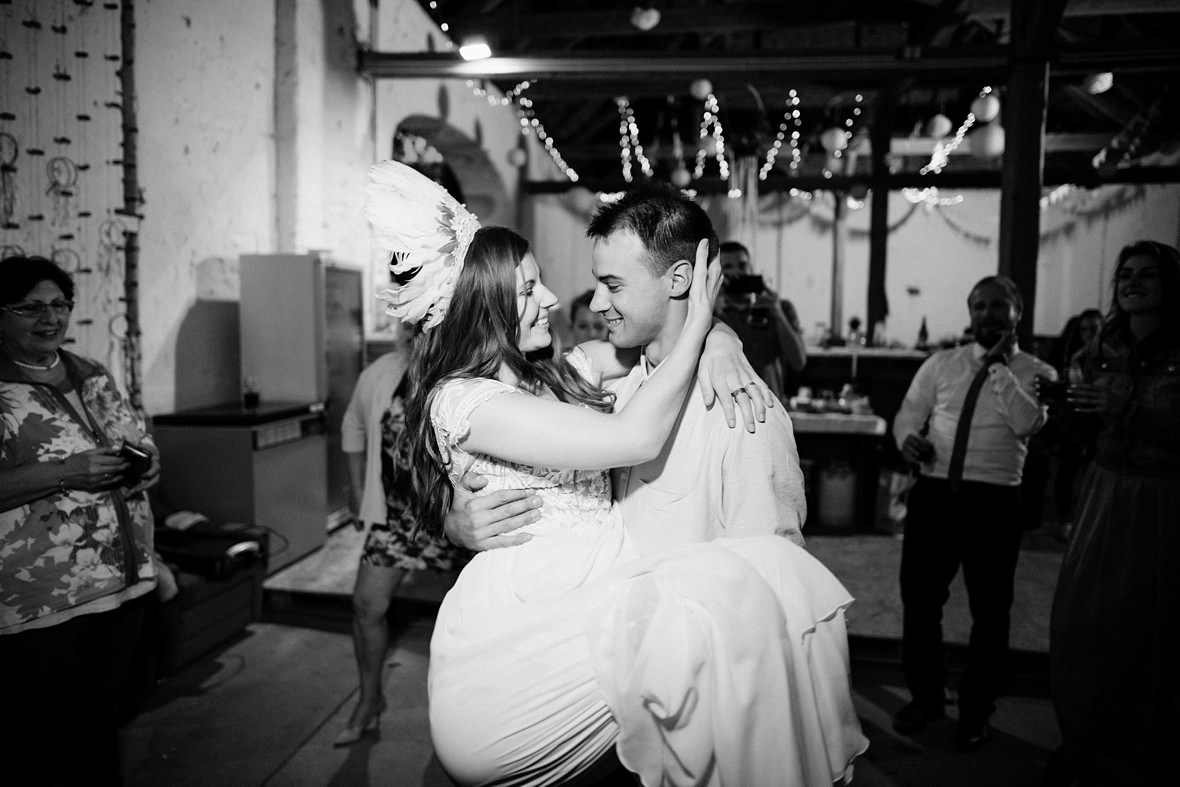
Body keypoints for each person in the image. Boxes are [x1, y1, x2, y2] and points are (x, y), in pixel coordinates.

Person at [364, 162, 866, 786]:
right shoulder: (590, 398)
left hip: (660, 681)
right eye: (530, 288)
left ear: (679, 280)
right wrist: (453, 520)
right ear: (487, 306)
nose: (575, 300)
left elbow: (771, 581)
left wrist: (719, 336)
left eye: (611, 284)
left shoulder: (707, 402)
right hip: (541, 648)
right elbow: (631, 435)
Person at [0, 255, 160, 785]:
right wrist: (66, 472)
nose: (50, 318)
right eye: (29, 308)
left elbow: (133, 434)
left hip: (123, 583)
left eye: (59, 304)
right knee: (46, 739)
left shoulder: (90, 372)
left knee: (102, 727)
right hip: (45, 600)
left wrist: (148, 459)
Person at [890, 274, 1055, 751]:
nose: (987, 314)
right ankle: (926, 698)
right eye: (979, 306)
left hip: (995, 502)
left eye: (998, 305)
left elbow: (1026, 423)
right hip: (934, 495)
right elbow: (908, 412)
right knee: (920, 602)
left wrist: (999, 367)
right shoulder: (942, 363)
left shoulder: (1039, 371)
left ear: (1017, 311)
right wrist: (908, 439)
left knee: (990, 611)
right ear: (970, 312)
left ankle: (976, 710)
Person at [1046, 240, 1180, 786]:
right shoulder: (1101, 348)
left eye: (1148, 274)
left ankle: (1140, 753)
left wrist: (1127, 409)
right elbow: (1086, 434)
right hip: (1105, 489)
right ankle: (1084, 739)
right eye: (1126, 274)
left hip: (1162, 496)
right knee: (1083, 619)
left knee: (1149, 627)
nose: (1133, 283)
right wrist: (1060, 407)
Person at [333, 321, 471, 746]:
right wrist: (358, 492)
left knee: (467, 618)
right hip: (396, 515)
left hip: (452, 517)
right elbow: (353, 425)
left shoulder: (468, 368)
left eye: (429, 324)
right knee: (366, 605)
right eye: (412, 326)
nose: (418, 334)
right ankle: (370, 698)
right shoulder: (383, 372)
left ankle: (467, 713)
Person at [715, 240, 806, 401]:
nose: (737, 272)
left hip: (770, 403)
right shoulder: (712, 312)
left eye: (742, 265)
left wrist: (778, 314)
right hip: (727, 405)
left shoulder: (780, 308)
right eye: (728, 267)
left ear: (751, 268)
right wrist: (711, 308)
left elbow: (798, 361)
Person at [1044, 308, 1103, 540]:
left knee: (1095, 469)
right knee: (1068, 467)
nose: (1089, 334)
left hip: (1101, 420)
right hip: (1075, 416)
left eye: (1094, 329)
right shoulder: (1073, 355)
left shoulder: (1114, 356)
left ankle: (1091, 518)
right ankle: (1065, 519)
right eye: (1084, 329)